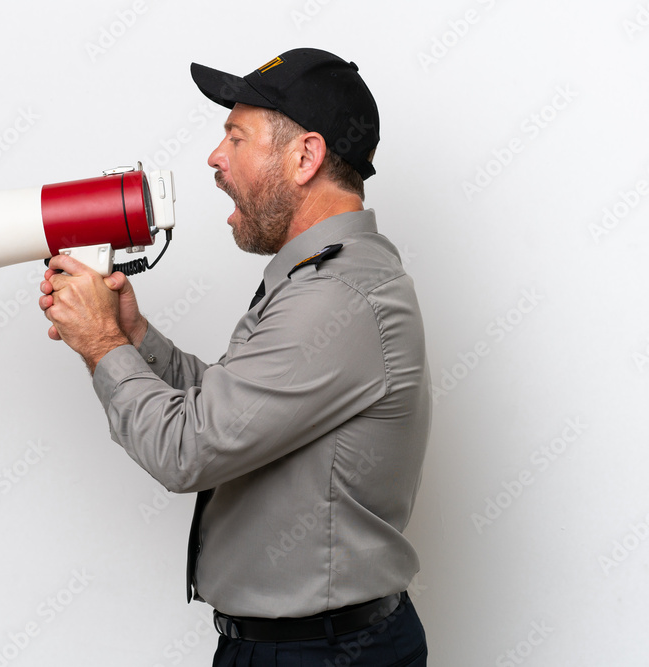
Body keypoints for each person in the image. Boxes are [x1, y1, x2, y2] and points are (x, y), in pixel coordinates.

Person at [39, 47, 430, 667]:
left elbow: (188, 449)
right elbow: (230, 409)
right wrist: (134, 337)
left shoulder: (336, 297)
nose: (216, 158)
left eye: (235, 137)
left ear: (306, 157)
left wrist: (100, 345)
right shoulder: (323, 281)